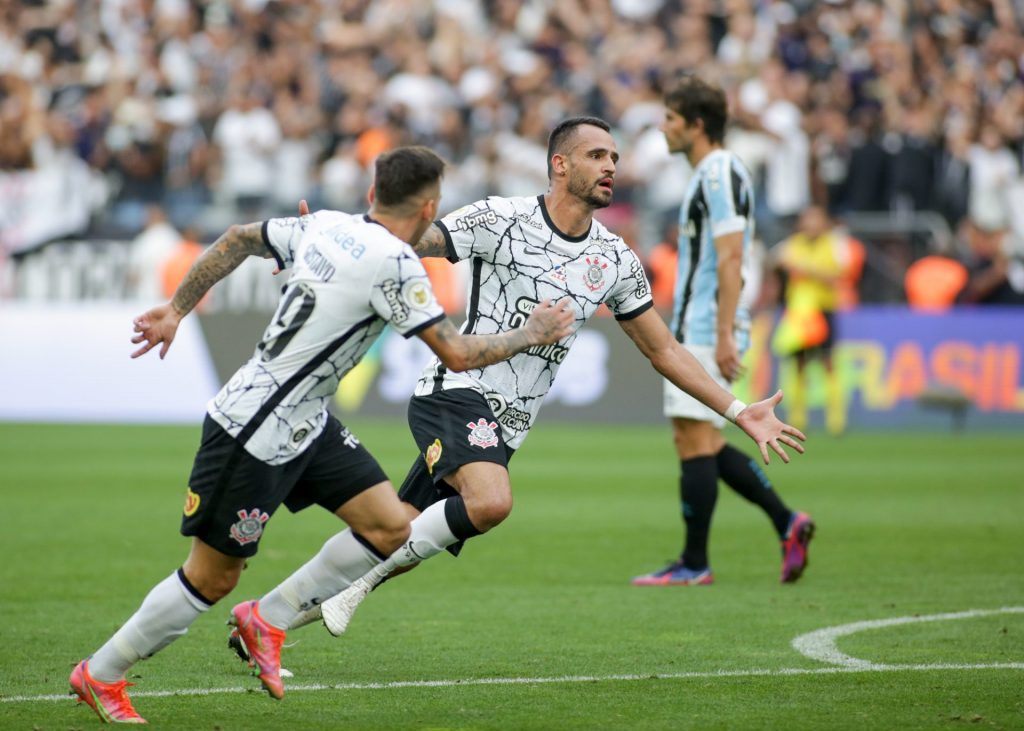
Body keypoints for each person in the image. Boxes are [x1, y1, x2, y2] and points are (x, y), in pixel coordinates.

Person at [241, 116, 804, 661]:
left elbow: (664, 350)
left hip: (508, 423)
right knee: (490, 501)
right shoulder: (501, 218)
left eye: (614, 157)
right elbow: (411, 236)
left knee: (392, 535)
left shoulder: (615, 259)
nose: (611, 166)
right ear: (560, 165)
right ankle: (343, 594)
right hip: (455, 388)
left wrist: (738, 411)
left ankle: (266, 616)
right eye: (596, 156)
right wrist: (323, 235)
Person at [68, 146, 575, 723]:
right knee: (213, 577)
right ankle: (101, 673)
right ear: (430, 206)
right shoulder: (397, 265)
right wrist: (530, 333)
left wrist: (176, 309)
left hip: (308, 422)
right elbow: (457, 355)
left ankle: (268, 619)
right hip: (253, 428)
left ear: (371, 194)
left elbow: (237, 238)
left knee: (390, 526)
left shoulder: (325, 225)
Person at [630, 78, 814, 589]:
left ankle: (694, 562)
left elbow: (733, 254)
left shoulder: (719, 171)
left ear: (697, 124)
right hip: (706, 325)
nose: (663, 128)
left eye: (671, 119)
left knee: (692, 441)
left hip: (708, 329)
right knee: (705, 441)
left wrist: (729, 333)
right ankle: (786, 522)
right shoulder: (708, 173)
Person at [772, 204, 854, 435]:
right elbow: (773, 262)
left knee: (828, 363)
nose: (811, 225)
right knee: (798, 364)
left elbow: (838, 276)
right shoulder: (792, 244)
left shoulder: (835, 244)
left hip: (822, 310)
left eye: (816, 220)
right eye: (808, 220)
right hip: (798, 313)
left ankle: (836, 420)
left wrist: (806, 269)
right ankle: (798, 419)